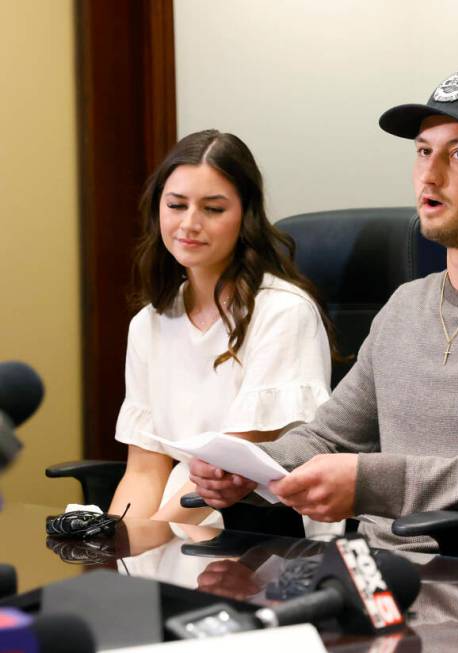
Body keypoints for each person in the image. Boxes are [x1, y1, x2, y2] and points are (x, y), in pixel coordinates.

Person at [189, 69, 458, 551]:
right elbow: (328, 439)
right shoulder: (406, 306)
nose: (430, 174)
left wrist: (374, 481)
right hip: (375, 573)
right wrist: (248, 468)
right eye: (423, 151)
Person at [108, 130, 337, 531]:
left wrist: (148, 541)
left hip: (260, 525)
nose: (189, 224)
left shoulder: (284, 311)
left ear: (245, 216)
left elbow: (230, 466)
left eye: (213, 209)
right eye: (176, 205)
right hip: (180, 517)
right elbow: (144, 472)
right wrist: (114, 548)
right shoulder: (149, 323)